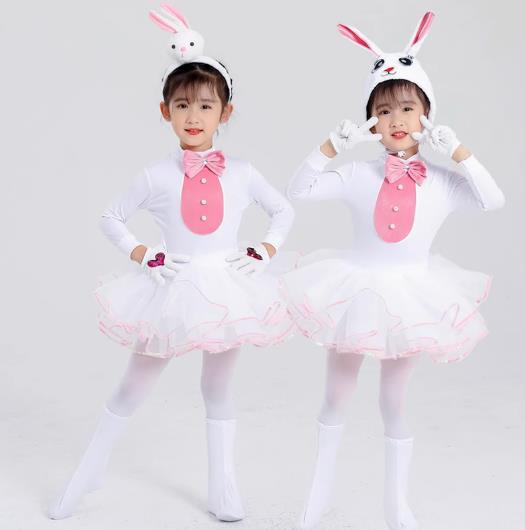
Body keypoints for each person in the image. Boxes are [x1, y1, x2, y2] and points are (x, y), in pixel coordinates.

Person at [48, 4, 294, 522]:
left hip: (226, 289)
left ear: (225, 112)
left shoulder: (243, 172)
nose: (194, 116)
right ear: (165, 111)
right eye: (182, 105)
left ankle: (222, 485)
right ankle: (89, 469)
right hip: (172, 286)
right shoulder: (155, 174)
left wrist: (266, 249)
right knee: (135, 383)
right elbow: (112, 218)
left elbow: (283, 210)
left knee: (217, 388)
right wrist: (143, 254)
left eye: (206, 105)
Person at [283, 11, 505, 530]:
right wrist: (330, 147)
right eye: (383, 110)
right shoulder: (359, 173)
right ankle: (317, 498)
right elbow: (300, 189)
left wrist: (461, 153)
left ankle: (396, 504)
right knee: (336, 397)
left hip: (410, 299)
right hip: (353, 293)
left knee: (395, 403)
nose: (397, 119)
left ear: (427, 114)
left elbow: (492, 199)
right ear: (370, 121)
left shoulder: (442, 182)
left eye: (408, 107)